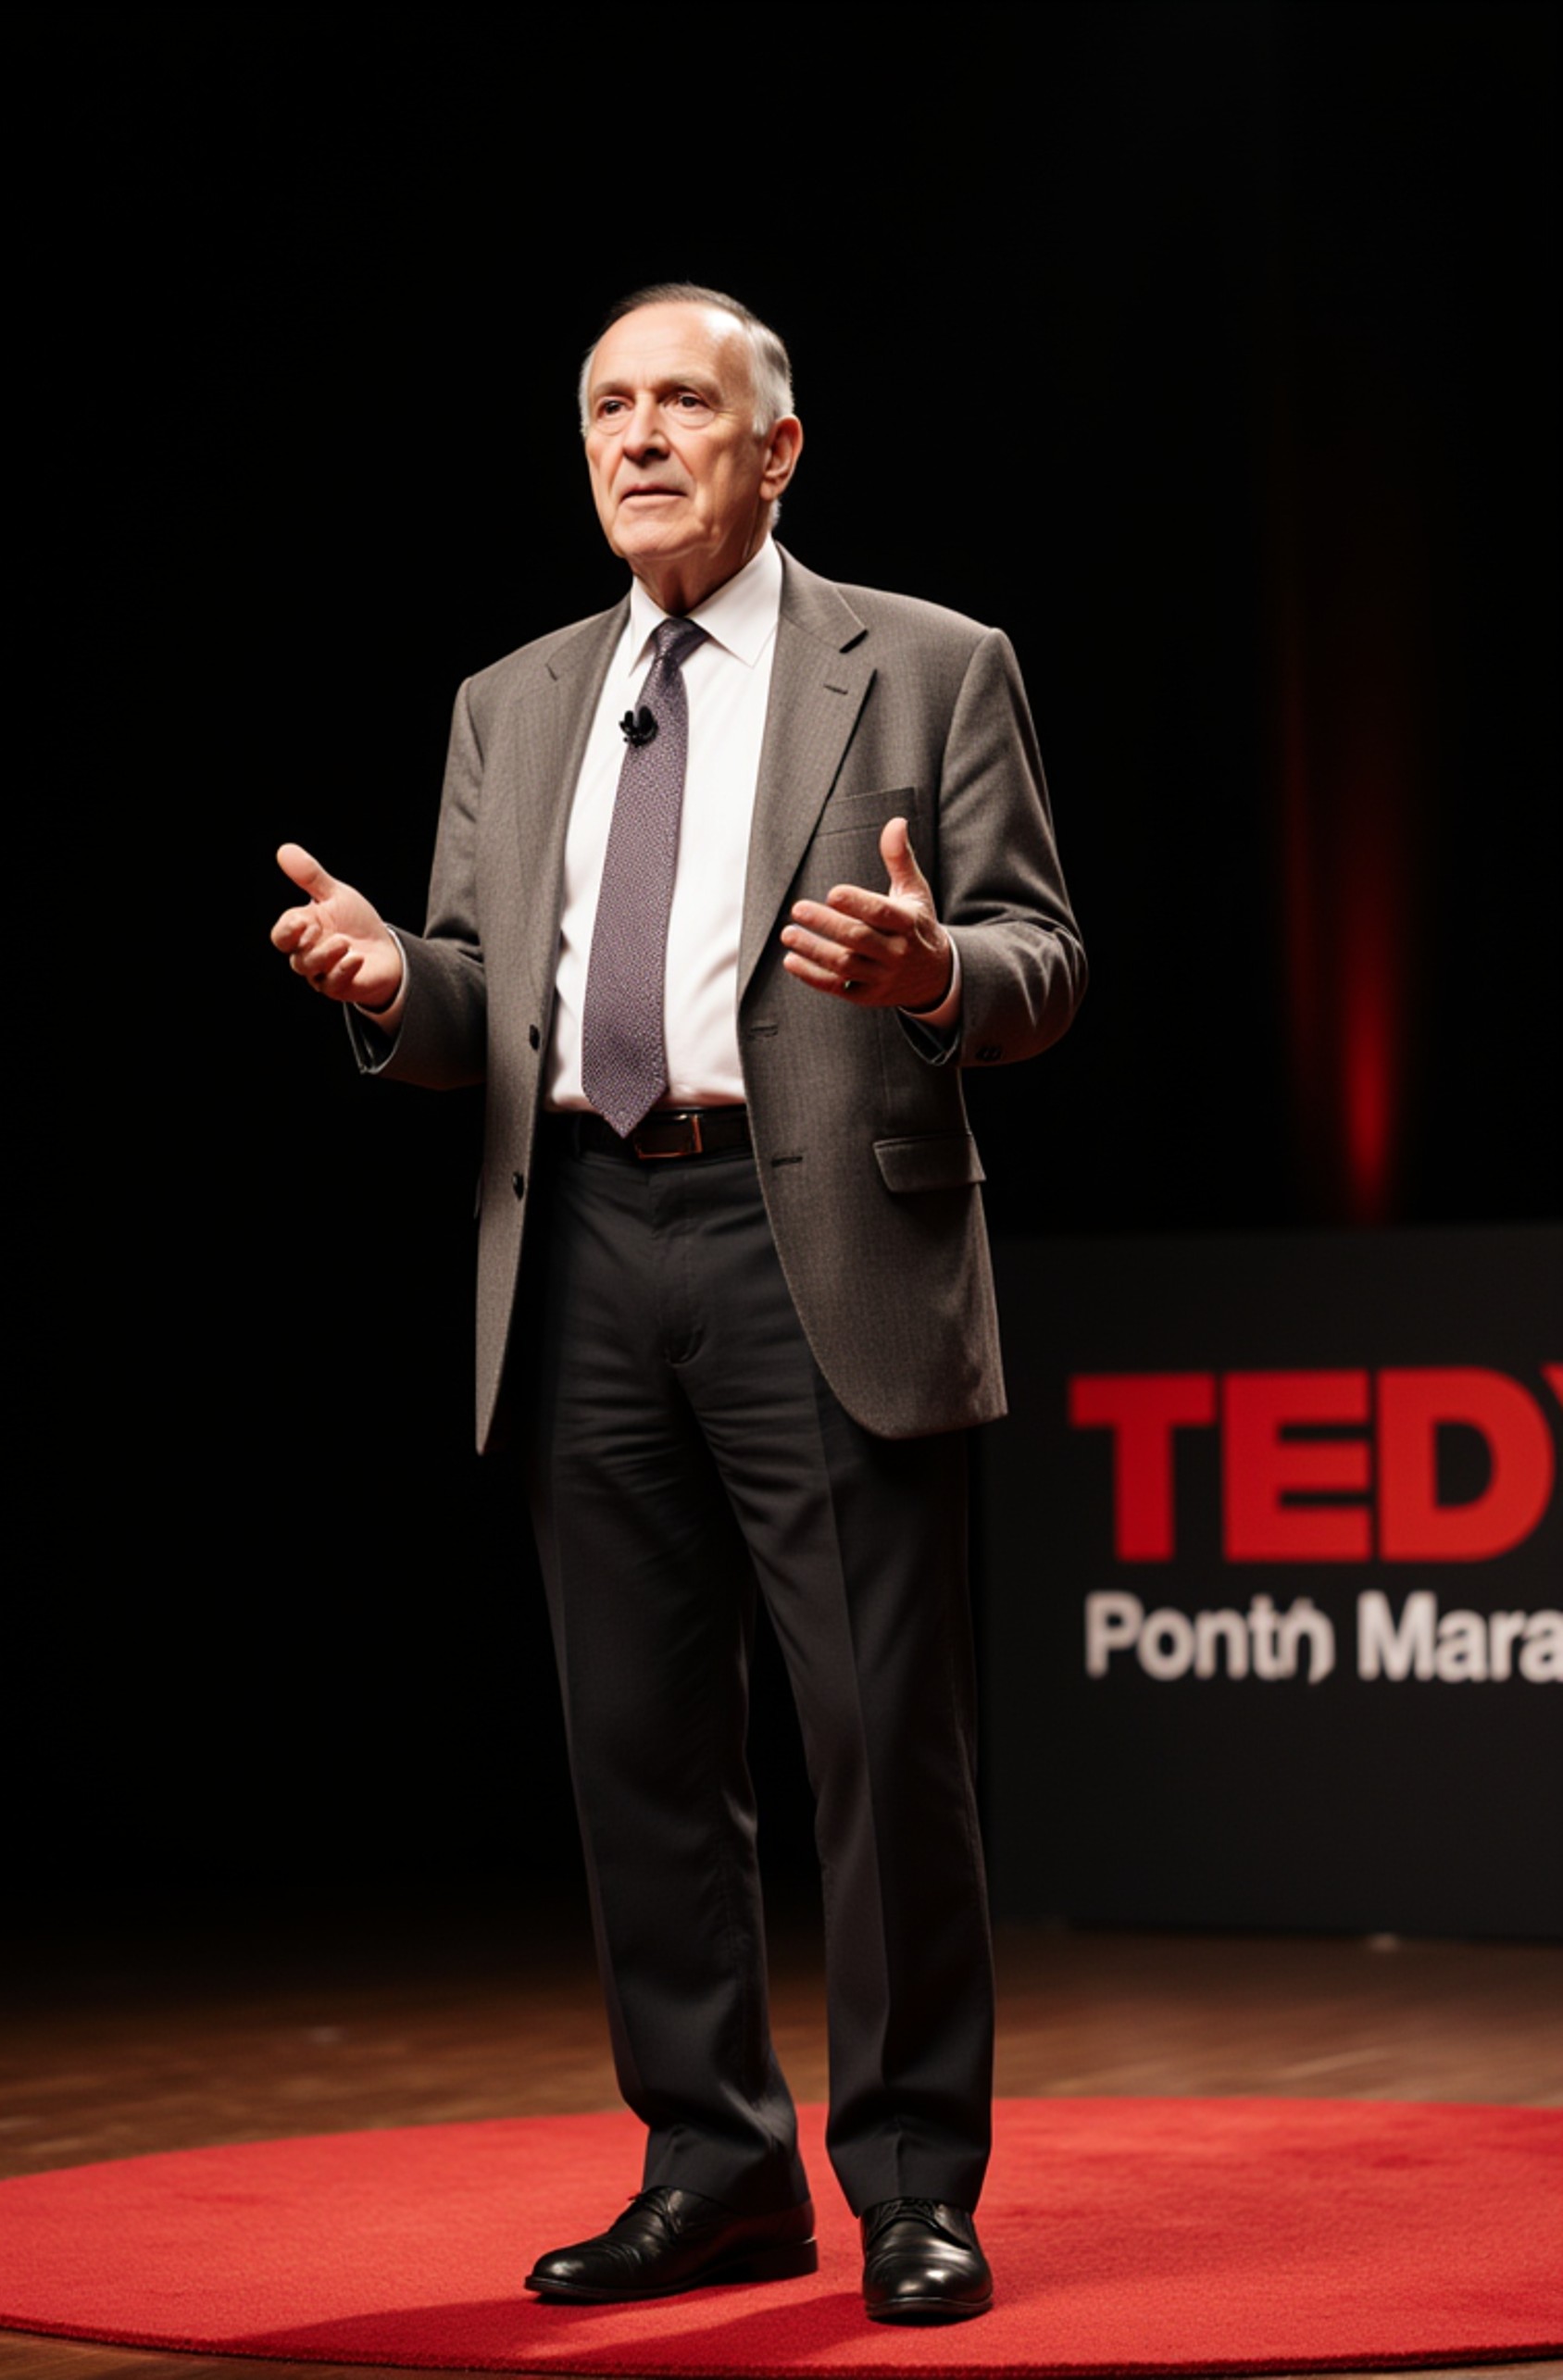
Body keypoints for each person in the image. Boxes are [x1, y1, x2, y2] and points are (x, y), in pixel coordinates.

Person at [270, 285, 1083, 2325]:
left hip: (817, 1240)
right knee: (639, 1746)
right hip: (580, 1252)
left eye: (684, 407)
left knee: (879, 1747)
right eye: (607, 408)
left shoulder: (929, 664)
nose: (640, 439)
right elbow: (484, 994)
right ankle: (711, 2163)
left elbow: (1040, 951)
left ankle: (910, 2181)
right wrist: (398, 991)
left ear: (775, 449)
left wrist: (936, 977)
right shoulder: (509, 698)